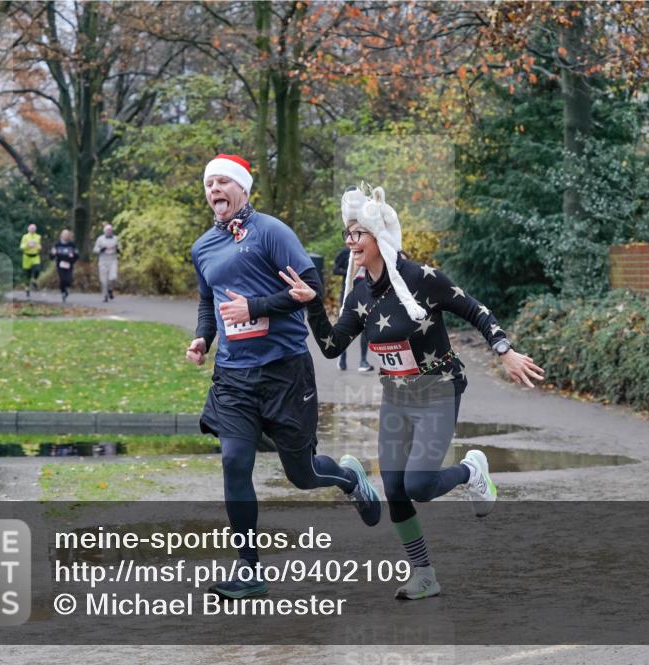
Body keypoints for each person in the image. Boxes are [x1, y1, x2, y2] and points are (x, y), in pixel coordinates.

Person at [280, 185, 545, 600]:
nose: (349, 243)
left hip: (438, 387)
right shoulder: (360, 293)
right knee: (395, 489)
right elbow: (332, 346)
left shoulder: (422, 279)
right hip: (397, 396)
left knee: (419, 484)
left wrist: (504, 350)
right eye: (347, 235)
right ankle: (424, 575)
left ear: (379, 237)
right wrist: (314, 304)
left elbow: (475, 308)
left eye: (357, 234)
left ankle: (473, 471)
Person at [185, 154, 383, 600]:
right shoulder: (203, 248)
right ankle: (250, 569)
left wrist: (254, 308)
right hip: (233, 377)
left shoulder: (271, 232)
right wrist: (203, 338)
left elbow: (308, 290)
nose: (214, 189)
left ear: (242, 189)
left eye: (222, 182)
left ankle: (349, 479)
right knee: (235, 462)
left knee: (304, 474)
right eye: (208, 183)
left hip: (285, 371)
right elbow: (208, 302)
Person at [332, 247, 372, 372]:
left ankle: (363, 361)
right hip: (349, 292)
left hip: (366, 292)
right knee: (345, 326)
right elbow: (335, 270)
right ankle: (342, 357)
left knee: (366, 326)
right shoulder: (345, 253)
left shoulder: (370, 252)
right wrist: (350, 271)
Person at [49, 229, 78, 303]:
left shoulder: (72, 245)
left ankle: (67, 289)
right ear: (61, 236)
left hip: (69, 264)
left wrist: (73, 256)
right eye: (64, 235)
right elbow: (51, 256)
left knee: (69, 279)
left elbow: (77, 255)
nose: (66, 236)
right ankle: (63, 292)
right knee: (62, 279)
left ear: (69, 236)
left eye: (67, 235)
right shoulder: (57, 244)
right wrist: (53, 254)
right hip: (60, 264)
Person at [93, 223, 119, 302]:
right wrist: (101, 249)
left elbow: (119, 247)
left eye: (110, 230)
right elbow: (95, 249)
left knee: (113, 277)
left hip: (113, 260)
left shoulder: (115, 238)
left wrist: (118, 249)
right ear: (104, 231)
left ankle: (110, 289)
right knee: (103, 280)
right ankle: (105, 296)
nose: (109, 231)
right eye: (107, 230)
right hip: (103, 260)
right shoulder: (100, 239)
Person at [19, 223, 42, 298]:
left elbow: (39, 246)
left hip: (35, 256)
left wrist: (37, 246)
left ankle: (34, 280)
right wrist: (27, 245)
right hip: (26, 256)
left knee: (37, 269)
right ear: (28, 229)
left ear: (35, 229)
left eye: (34, 228)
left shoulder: (38, 237)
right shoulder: (25, 237)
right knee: (27, 274)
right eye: (31, 228)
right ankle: (27, 288)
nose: (32, 230)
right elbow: (21, 247)